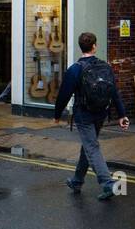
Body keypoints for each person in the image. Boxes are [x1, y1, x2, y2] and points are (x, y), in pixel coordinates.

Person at [53, 31, 129, 201]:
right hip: (101, 113)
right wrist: (122, 114)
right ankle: (77, 181)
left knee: (91, 146)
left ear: (81, 47)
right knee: (88, 145)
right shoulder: (105, 66)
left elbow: (63, 95)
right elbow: (114, 92)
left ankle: (107, 183)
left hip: (83, 114)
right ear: (95, 46)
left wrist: (57, 115)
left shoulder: (75, 69)